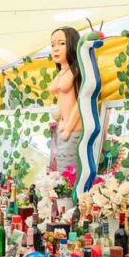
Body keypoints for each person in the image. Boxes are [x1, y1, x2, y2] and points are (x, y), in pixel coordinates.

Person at [48, 27, 82, 171]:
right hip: (62, 129)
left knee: (69, 172)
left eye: (61, 44)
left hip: (73, 129)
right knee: (63, 171)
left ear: (72, 45)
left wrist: (68, 128)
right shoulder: (63, 71)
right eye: (53, 45)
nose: (56, 49)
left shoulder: (77, 71)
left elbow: (80, 104)